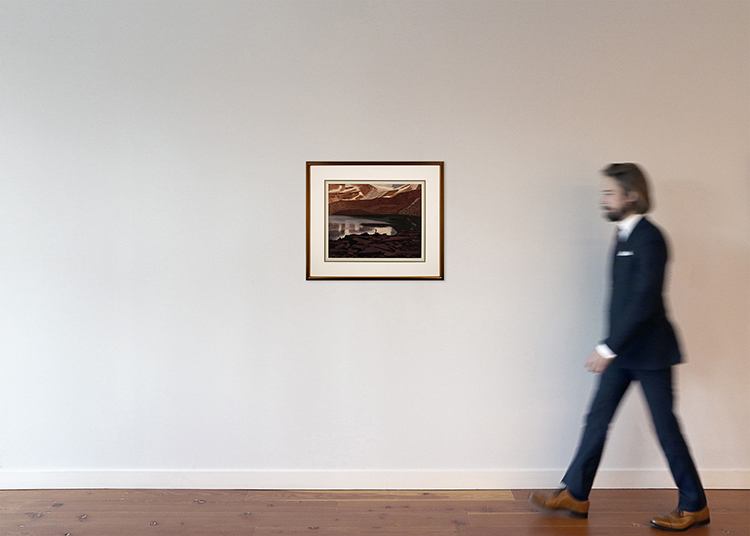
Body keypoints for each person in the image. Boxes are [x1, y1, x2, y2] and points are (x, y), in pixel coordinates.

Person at [529, 163, 709, 531]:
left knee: (665, 429)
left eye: (609, 193)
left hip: (650, 354)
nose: (603, 199)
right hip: (624, 352)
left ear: (631, 196)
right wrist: (612, 348)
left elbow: (645, 299)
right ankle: (576, 493)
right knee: (596, 419)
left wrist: (607, 348)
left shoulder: (650, 238)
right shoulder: (623, 236)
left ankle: (695, 505)